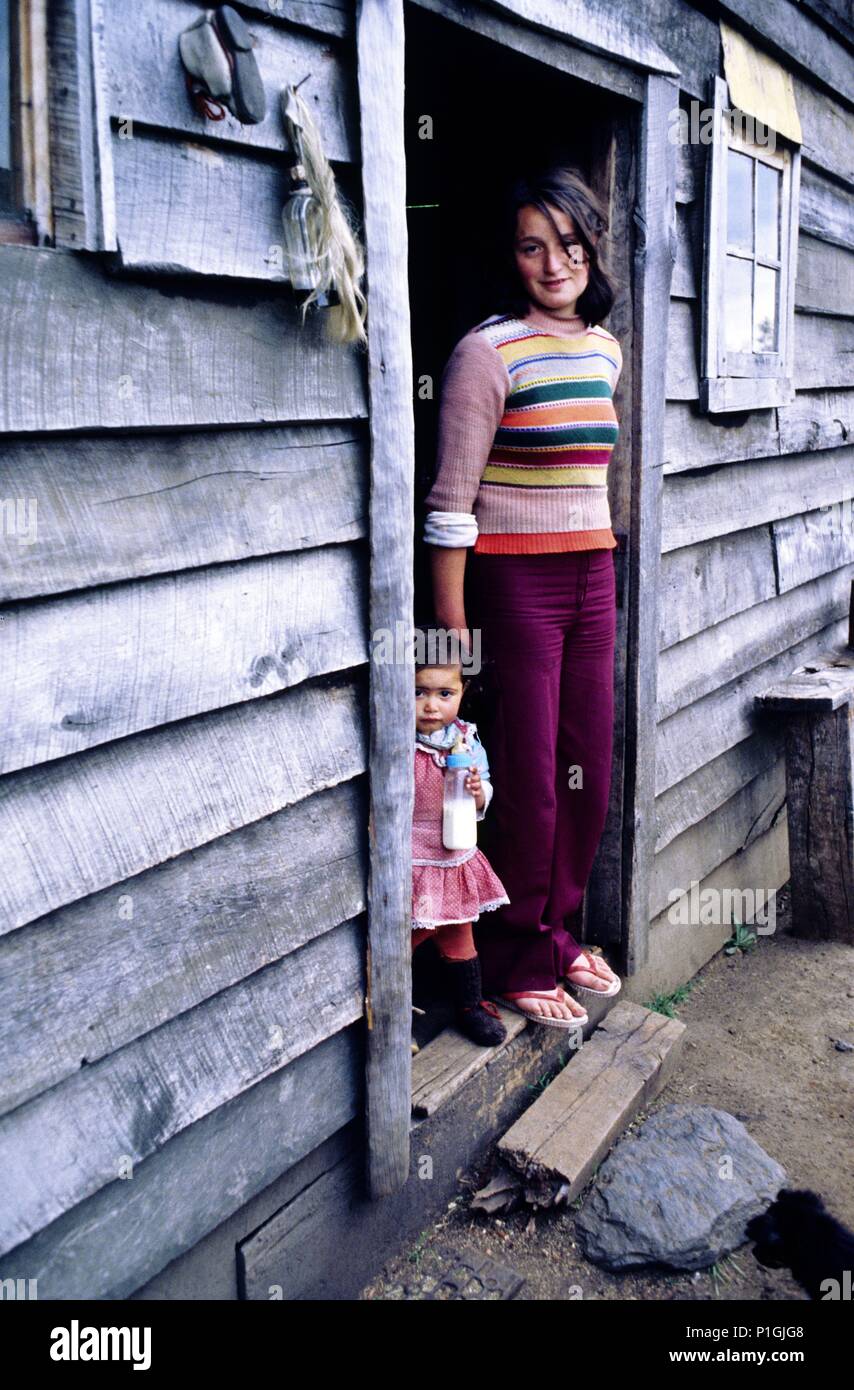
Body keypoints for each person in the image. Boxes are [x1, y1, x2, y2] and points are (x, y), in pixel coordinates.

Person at [423, 166, 623, 1028]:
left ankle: (557, 931)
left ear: (590, 245)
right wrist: (454, 630)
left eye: (569, 243)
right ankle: (512, 954)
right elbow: (449, 507)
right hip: (514, 581)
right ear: (513, 256)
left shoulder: (607, 347)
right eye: (532, 246)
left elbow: (592, 477)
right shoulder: (487, 351)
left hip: (593, 572)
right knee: (532, 778)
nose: (553, 263)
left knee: (589, 768)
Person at [411, 629, 514, 1046]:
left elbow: (485, 788)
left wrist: (477, 792)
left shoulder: (466, 739)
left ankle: (470, 1005)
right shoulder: (398, 742)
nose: (432, 705)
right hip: (414, 857)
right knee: (409, 935)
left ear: (462, 691)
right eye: (419, 692)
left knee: (457, 930)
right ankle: (393, 1009)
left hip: (453, 853)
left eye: (444, 693)